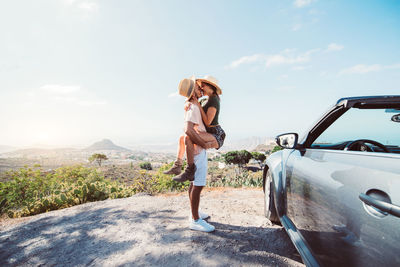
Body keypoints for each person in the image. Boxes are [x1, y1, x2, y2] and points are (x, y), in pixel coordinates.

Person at [164, 75, 225, 182]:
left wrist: (197, 104)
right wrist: (187, 103)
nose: (201, 88)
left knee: (188, 138)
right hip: (208, 132)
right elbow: (192, 102)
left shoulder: (214, 101)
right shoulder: (205, 100)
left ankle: (189, 171)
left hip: (216, 134)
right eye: (200, 86)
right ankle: (177, 165)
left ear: (210, 86)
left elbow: (207, 122)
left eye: (203, 85)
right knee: (181, 138)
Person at [175, 77, 215, 232]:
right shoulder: (192, 108)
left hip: (197, 149)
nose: (200, 89)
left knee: (194, 183)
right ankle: (195, 220)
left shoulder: (192, 106)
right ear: (193, 93)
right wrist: (203, 143)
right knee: (198, 185)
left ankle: (194, 213)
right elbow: (188, 129)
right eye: (198, 88)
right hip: (198, 150)